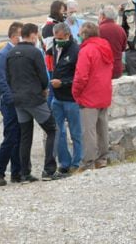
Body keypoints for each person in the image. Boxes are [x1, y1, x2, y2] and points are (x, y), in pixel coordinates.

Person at [7, 23, 63, 182]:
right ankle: (49, 170)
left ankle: (25, 174)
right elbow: (44, 77)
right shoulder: (35, 52)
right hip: (34, 99)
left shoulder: (11, 53)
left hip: (18, 100)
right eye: (36, 36)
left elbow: (8, 77)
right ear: (32, 35)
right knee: (53, 129)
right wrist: (44, 89)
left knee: (25, 136)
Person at [73, 21, 114, 170]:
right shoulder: (105, 46)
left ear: (84, 35)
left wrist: (75, 92)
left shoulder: (86, 50)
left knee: (88, 130)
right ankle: (103, 158)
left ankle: (89, 162)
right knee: (102, 127)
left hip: (89, 95)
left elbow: (81, 76)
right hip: (104, 92)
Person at [0, 21, 24, 186]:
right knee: (10, 137)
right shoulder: (3, 54)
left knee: (19, 137)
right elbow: (0, 79)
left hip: (20, 101)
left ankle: (17, 173)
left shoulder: (19, 52)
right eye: (21, 33)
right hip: (10, 103)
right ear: (14, 36)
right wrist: (10, 98)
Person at [49, 22, 83, 174]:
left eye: (60, 38)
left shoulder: (76, 51)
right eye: (56, 38)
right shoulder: (56, 48)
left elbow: (79, 76)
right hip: (57, 98)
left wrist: (62, 83)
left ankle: (77, 162)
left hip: (71, 99)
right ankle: (64, 163)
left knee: (76, 132)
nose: (58, 40)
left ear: (68, 35)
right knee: (58, 132)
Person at [98, 5, 127, 79]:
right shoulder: (120, 30)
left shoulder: (98, 30)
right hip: (117, 67)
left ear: (103, 16)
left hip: (103, 68)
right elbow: (123, 48)